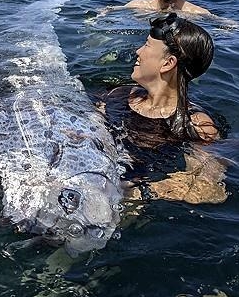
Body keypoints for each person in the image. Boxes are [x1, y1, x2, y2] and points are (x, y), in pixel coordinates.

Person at [95, 13, 227, 204]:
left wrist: (134, 193)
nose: (138, 51)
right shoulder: (119, 94)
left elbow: (208, 188)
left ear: (168, 63)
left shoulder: (196, 124)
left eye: (147, 45)